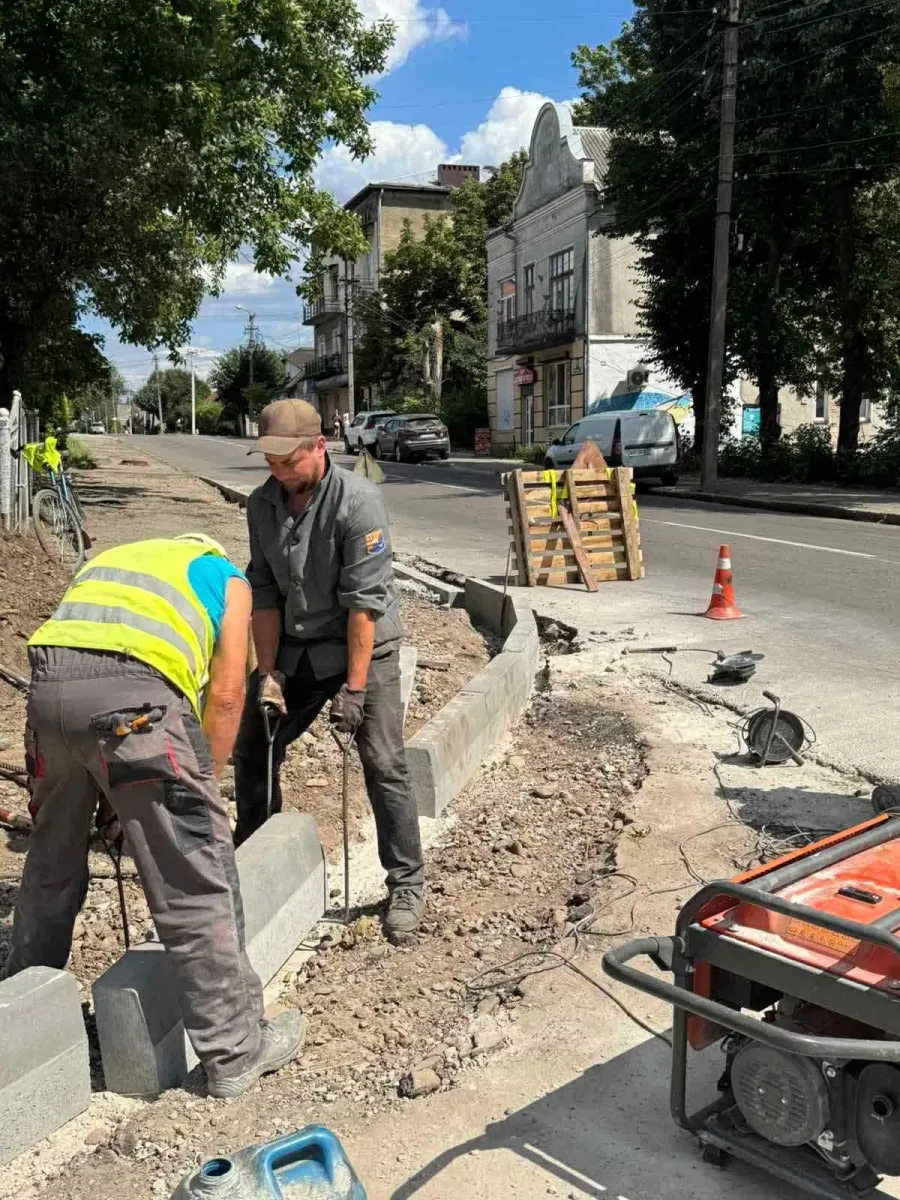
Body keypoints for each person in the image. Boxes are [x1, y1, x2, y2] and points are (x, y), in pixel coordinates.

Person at [1, 534, 305, 1098]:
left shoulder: (113, 561)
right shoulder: (229, 581)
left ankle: (20, 1025)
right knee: (195, 873)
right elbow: (229, 696)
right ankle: (235, 1051)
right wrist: (199, 796)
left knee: (50, 865)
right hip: (135, 700)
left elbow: (81, 676)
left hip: (47, 695)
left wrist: (122, 795)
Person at [233, 399, 425, 936]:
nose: (278, 471)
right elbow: (265, 594)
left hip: (362, 647)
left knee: (383, 761)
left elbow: (363, 605)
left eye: (288, 460)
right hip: (297, 651)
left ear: (320, 447)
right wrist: (267, 675)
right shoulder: (261, 506)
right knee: (255, 748)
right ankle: (255, 864)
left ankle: (407, 884)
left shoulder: (358, 503)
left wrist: (356, 692)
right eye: (270, 460)